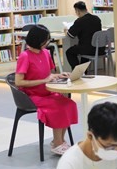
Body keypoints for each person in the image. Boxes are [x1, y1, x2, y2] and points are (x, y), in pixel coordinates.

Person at [15, 25, 78, 155]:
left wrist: (58, 76)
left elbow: (48, 74)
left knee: (70, 104)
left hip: (47, 91)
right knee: (58, 107)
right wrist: (44, 81)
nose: (47, 43)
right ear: (38, 40)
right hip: (31, 96)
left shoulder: (45, 53)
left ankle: (58, 141)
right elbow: (18, 82)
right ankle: (58, 143)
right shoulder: (25, 56)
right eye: (46, 40)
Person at [66, 1, 103, 70]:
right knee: (83, 48)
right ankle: (83, 72)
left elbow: (71, 35)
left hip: (88, 50)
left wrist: (66, 30)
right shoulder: (97, 18)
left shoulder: (80, 21)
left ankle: (77, 71)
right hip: (99, 49)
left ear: (77, 11)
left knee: (69, 52)